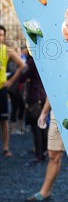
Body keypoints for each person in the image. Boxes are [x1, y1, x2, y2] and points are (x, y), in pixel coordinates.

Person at [26, 98, 65, 202]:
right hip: (58, 111)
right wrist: (44, 112)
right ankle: (45, 192)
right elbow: (52, 87)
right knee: (53, 154)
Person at [0, 25, 26, 157]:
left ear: (4, 37)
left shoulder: (7, 50)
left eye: (1, 35)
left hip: (2, 90)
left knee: (4, 120)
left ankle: (5, 148)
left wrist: (10, 81)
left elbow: (22, 65)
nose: (0, 37)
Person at [21, 49, 48, 165]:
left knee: (36, 127)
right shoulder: (43, 60)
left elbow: (22, 77)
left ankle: (39, 155)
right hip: (43, 96)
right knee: (43, 126)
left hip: (34, 96)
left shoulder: (31, 63)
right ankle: (45, 151)